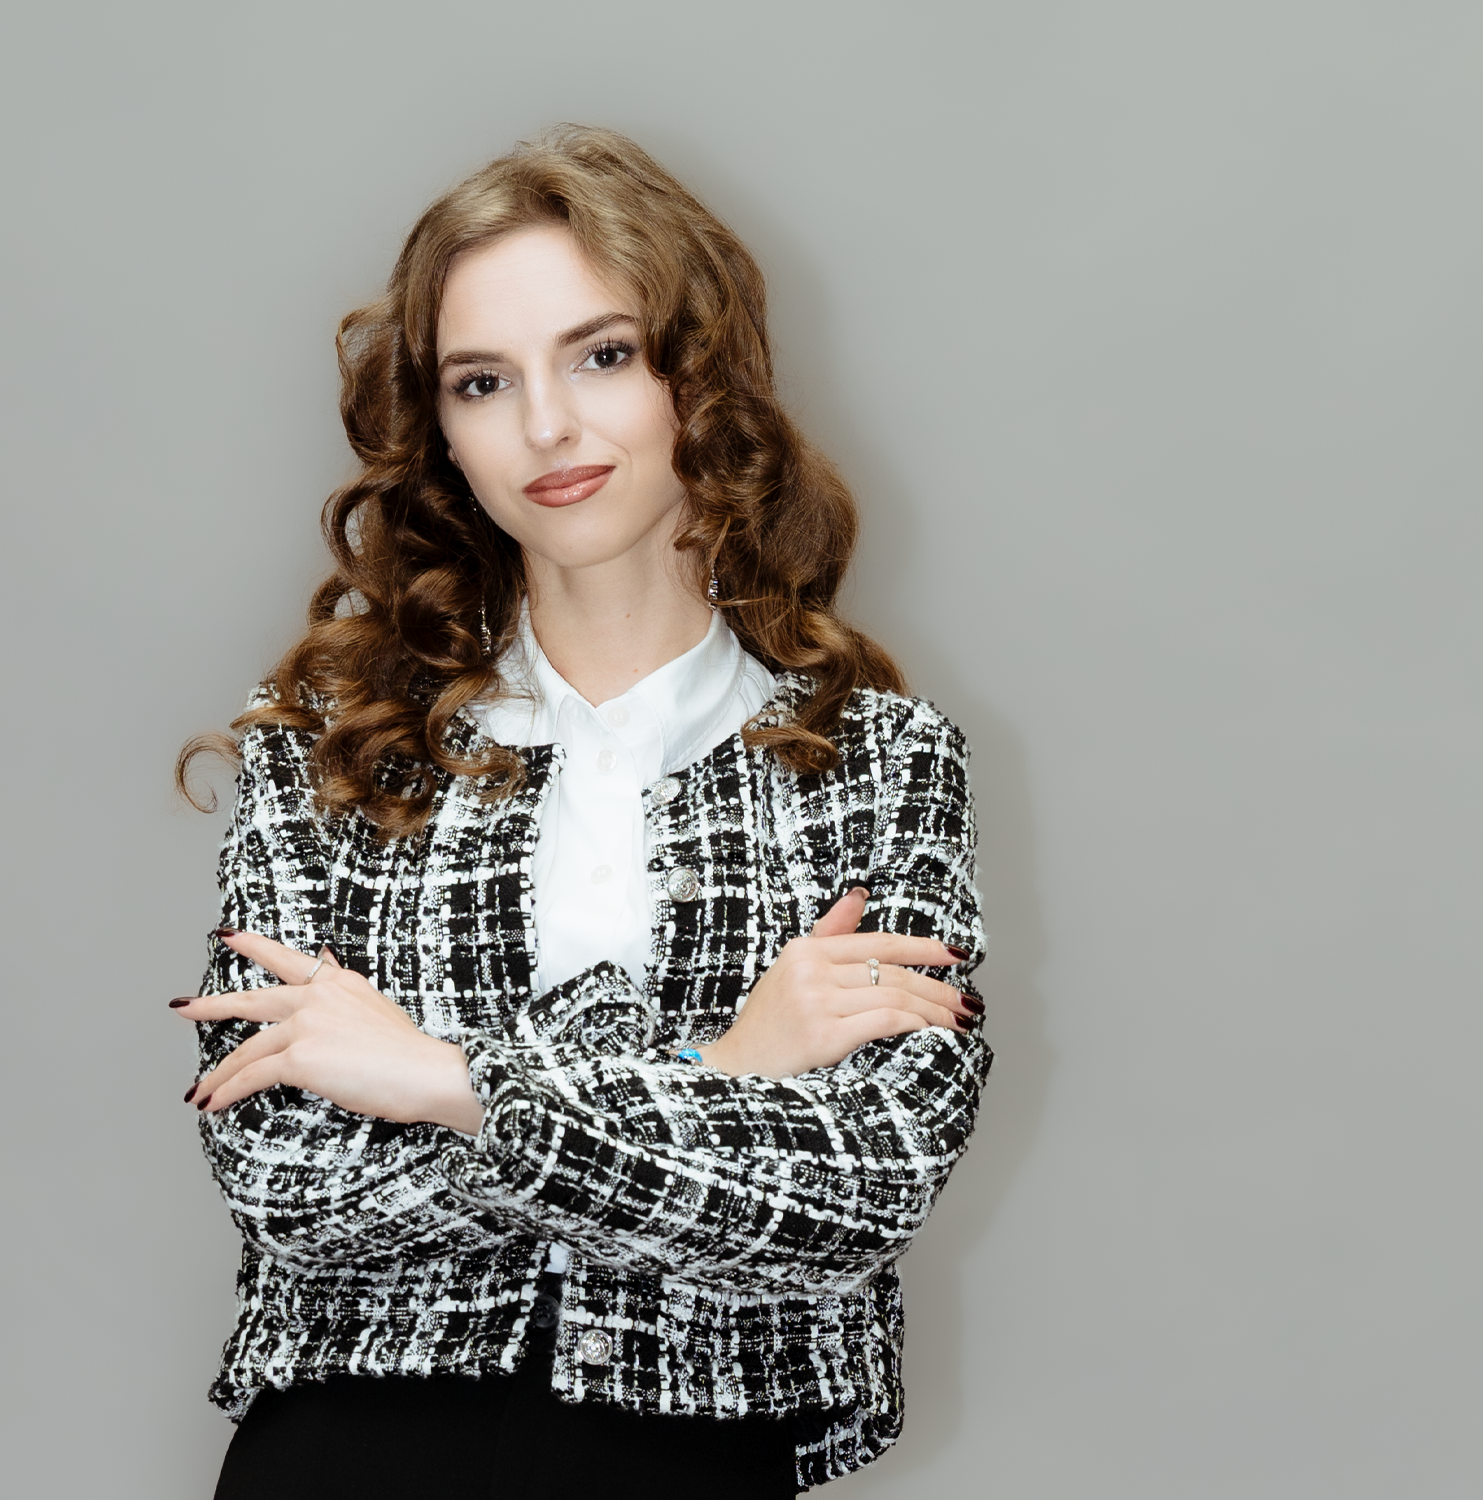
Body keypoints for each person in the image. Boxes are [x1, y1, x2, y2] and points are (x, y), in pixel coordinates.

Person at [170, 124, 992, 1499]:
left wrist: (442, 1081)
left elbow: (860, 1187)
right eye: (484, 382)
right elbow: (288, 1173)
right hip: (349, 1457)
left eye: (601, 355)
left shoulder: (876, 765)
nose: (546, 426)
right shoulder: (327, 742)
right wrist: (726, 1075)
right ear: (441, 428)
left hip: (692, 1459)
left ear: (698, 372)